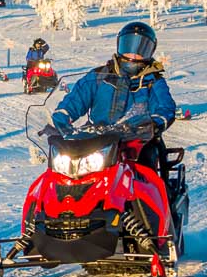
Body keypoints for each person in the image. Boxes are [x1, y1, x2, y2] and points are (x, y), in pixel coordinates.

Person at [52, 21, 177, 182]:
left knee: (147, 170)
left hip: (136, 140)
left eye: (140, 50)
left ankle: (151, 204)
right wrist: (62, 119)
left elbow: (165, 107)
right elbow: (76, 99)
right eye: (129, 46)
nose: (133, 55)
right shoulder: (99, 76)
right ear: (120, 46)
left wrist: (154, 124)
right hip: (97, 138)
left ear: (149, 52)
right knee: (65, 169)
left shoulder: (153, 81)